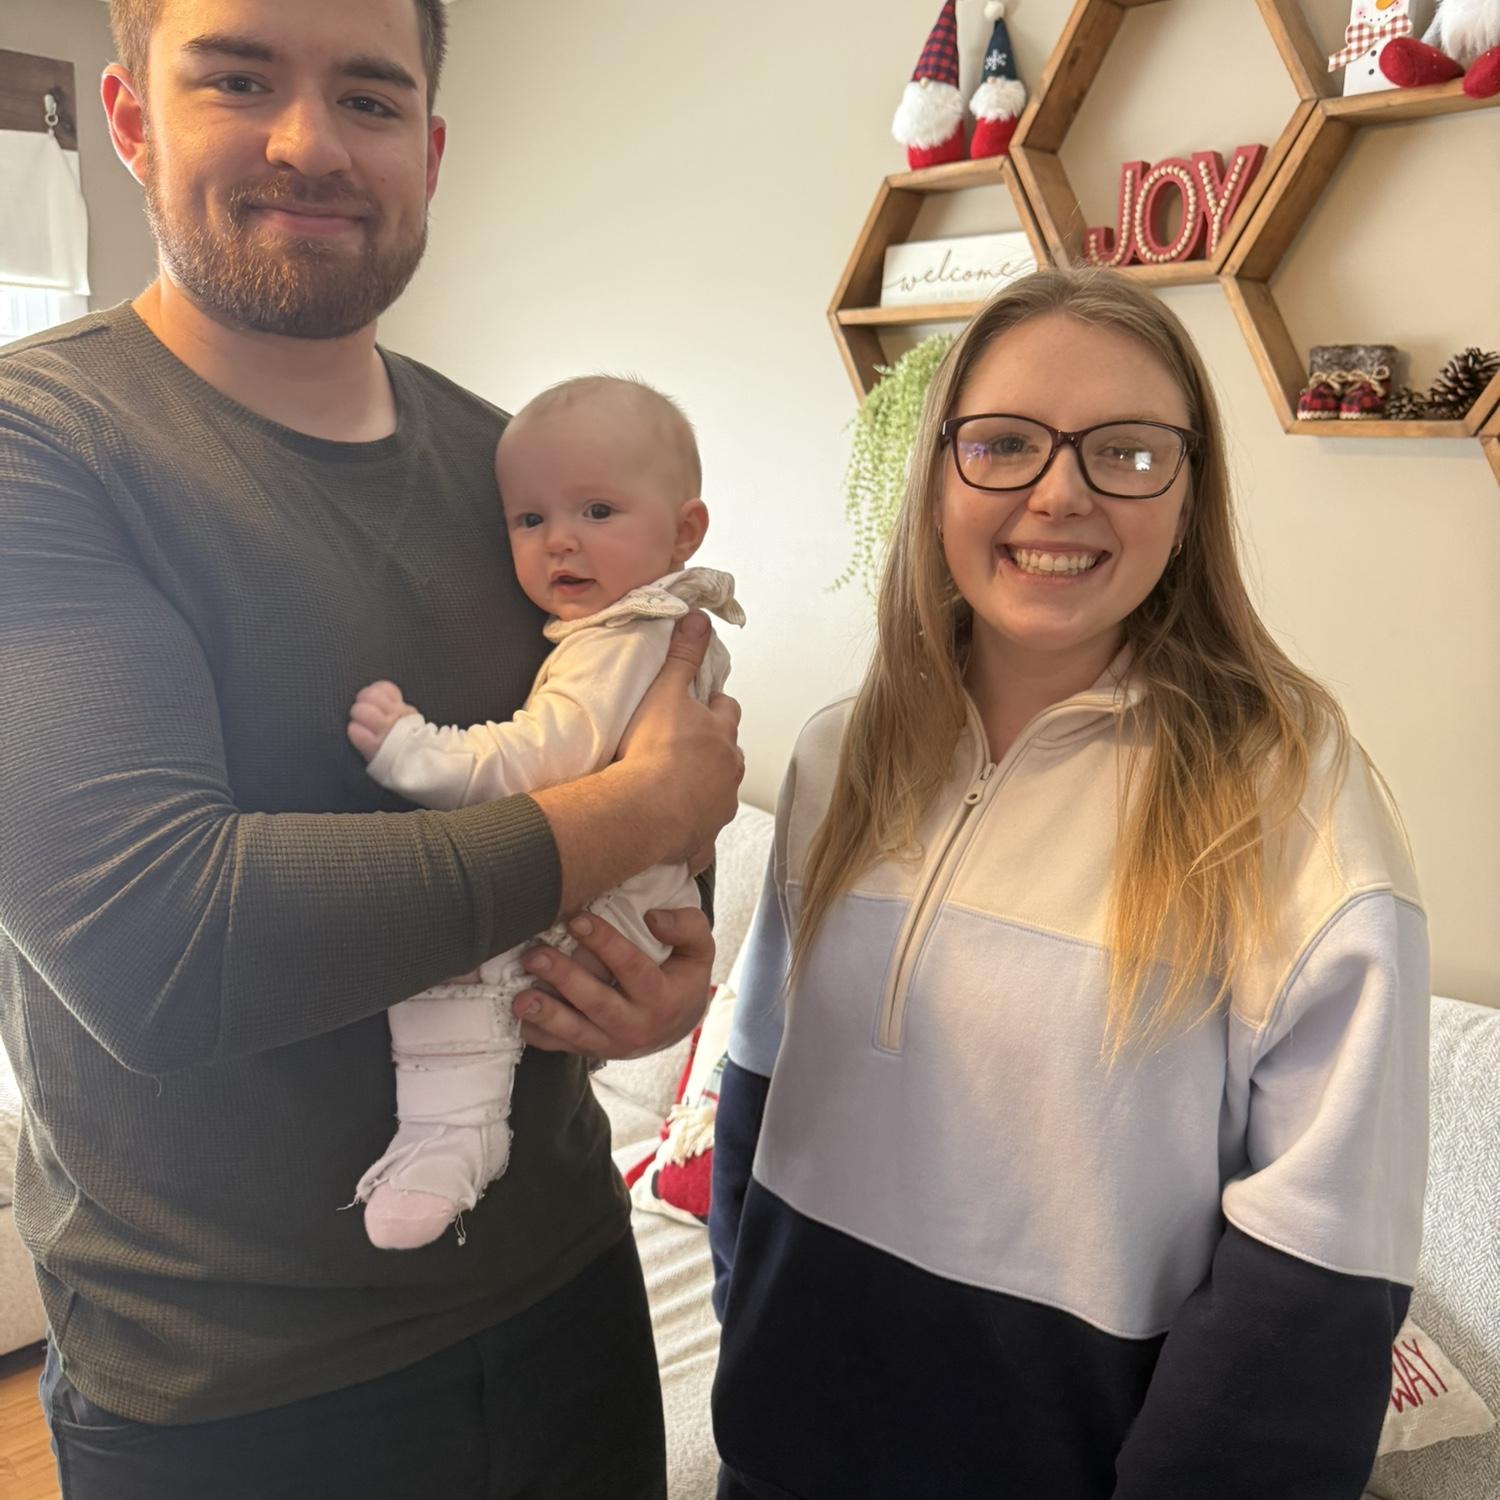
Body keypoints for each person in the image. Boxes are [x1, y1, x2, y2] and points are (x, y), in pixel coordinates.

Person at [0, 1, 741, 1495]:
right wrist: (642, 802)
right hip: (232, 1395)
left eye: (370, 96)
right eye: (239, 78)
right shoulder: (46, 448)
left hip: (565, 1295)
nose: (309, 142)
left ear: (431, 149)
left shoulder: (525, 477)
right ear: (132, 117)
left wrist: (667, 965)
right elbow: (164, 941)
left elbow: (668, 782)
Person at [709, 268, 1427, 1500]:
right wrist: (755, 1348)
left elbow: (1318, 1280)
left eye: (1128, 454)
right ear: (938, 477)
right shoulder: (838, 756)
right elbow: (758, 1087)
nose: (1059, 493)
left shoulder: (1297, 805)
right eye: (1002, 444)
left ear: (1191, 496)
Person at [346, 375, 745, 1251]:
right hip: (635, 906)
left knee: (456, 959)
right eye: (529, 521)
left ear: (685, 531)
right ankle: (453, 1139)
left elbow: (543, 756)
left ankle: (454, 1139)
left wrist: (419, 750)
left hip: (607, 907)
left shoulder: (628, 637)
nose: (559, 540)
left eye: (597, 511)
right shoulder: (659, 624)